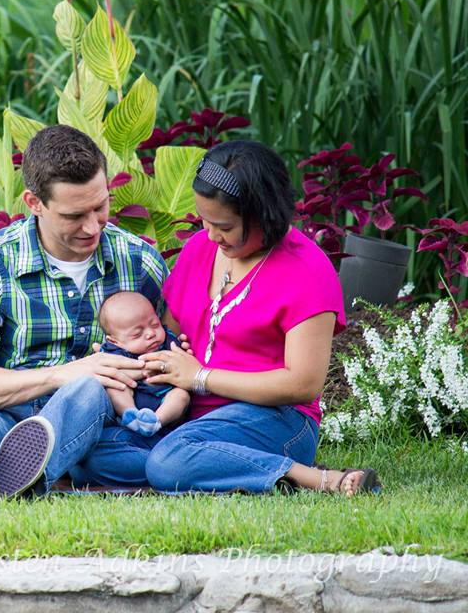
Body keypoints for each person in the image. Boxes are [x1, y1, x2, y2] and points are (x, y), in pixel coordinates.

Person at [72, 140, 381, 496]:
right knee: (91, 455)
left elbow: (302, 385)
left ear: (264, 215)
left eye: (224, 226)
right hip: (187, 417)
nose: (210, 234)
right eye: (205, 221)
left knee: (168, 460)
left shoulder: (306, 270)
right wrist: (133, 361)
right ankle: (212, 468)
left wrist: (200, 377)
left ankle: (316, 478)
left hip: (272, 417)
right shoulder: (199, 250)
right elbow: (170, 338)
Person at [0, 124, 182, 503]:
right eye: (74, 215)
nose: (92, 226)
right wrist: (65, 373)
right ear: (34, 203)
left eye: (100, 207)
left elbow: (175, 350)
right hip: (7, 409)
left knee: (88, 390)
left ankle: (17, 474)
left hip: (100, 421)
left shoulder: (138, 262)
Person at [97, 291, 190, 436]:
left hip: (164, 396)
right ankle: (130, 414)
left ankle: (155, 422)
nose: (150, 334)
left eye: (155, 324)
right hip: (135, 395)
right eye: (137, 334)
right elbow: (106, 369)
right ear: (115, 341)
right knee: (116, 388)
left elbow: (182, 361)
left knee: (182, 395)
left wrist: (184, 351)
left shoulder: (168, 341)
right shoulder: (114, 352)